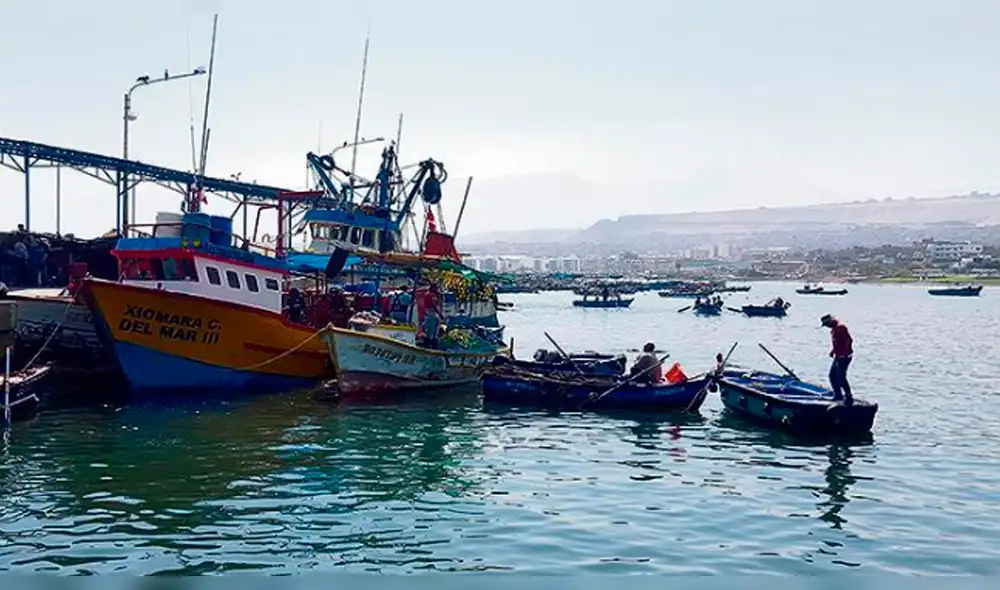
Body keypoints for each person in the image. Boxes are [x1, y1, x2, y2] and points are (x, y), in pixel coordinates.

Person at [821, 314, 854, 404]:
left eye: (827, 324)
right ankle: (838, 395)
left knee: (841, 377)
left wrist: (844, 353)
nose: (827, 327)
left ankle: (848, 396)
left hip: (844, 357)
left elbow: (849, 340)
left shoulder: (841, 328)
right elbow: (837, 343)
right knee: (832, 376)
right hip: (838, 356)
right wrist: (833, 351)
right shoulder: (834, 330)